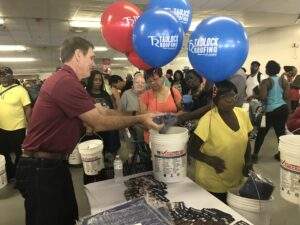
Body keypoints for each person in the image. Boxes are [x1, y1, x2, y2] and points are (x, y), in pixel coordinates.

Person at [16, 36, 161, 225]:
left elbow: (104, 111)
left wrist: (139, 113)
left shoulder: (70, 82)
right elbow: (99, 122)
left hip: (52, 165)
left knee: (68, 216)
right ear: (78, 55)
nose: (93, 63)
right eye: (91, 57)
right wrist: (140, 119)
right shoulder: (64, 82)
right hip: (40, 168)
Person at [188, 80, 253, 203]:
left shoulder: (242, 114)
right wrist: (209, 159)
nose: (230, 99)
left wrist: (248, 161)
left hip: (235, 175)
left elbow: (246, 141)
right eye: (224, 96)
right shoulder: (208, 120)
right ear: (215, 99)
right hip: (212, 180)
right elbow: (191, 149)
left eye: (233, 95)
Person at [252, 60, 289, 163]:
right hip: (283, 109)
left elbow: (263, 97)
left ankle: (254, 155)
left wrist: (255, 96)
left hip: (269, 112)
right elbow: (286, 97)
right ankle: (282, 154)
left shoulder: (265, 82)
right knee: (280, 133)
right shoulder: (284, 81)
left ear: (268, 70)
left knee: (261, 132)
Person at [0, 66, 31, 181]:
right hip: (2, 129)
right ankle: (11, 173)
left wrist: (30, 125)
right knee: (3, 154)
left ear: (11, 76)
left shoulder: (20, 90)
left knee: (19, 154)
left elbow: (27, 108)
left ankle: (20, 175)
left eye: (5, 75)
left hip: (18, 129)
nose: (3, 78)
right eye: (1, 76)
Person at [86, 70, 121, 164]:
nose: (98, 82)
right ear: (91, 81)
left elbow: (113, 108)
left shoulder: (105, 94)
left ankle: (111, 154)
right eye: (95, 80)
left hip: (107, 124)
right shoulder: (86, 94)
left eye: (100, 80)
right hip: (93, 126)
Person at [140, 67, 182, 142]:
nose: (153, 83)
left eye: (155, 79)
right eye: (149, 81)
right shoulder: (145, 96)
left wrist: (169, 117)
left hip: (172, 133)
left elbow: (183, 111)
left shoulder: (173, 92)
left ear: (162, 78)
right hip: (153, 137)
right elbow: (143, 118)